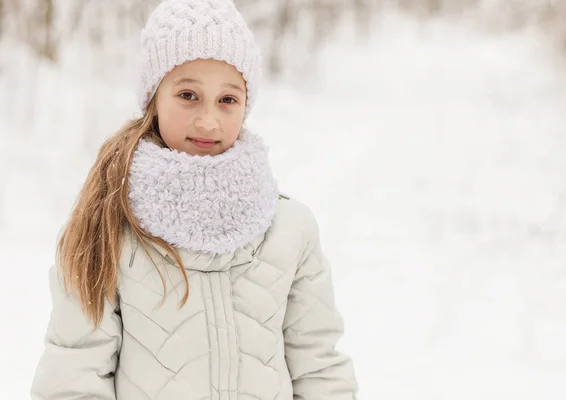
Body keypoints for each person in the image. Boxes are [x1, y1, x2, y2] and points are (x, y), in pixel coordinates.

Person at [30, 0, 358, 399]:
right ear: (154, 98)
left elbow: (320, 369)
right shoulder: (107, 222)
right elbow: (73, 376)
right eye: (188, 94)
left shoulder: (290, 229)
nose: (208, 121)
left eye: (228, 99)